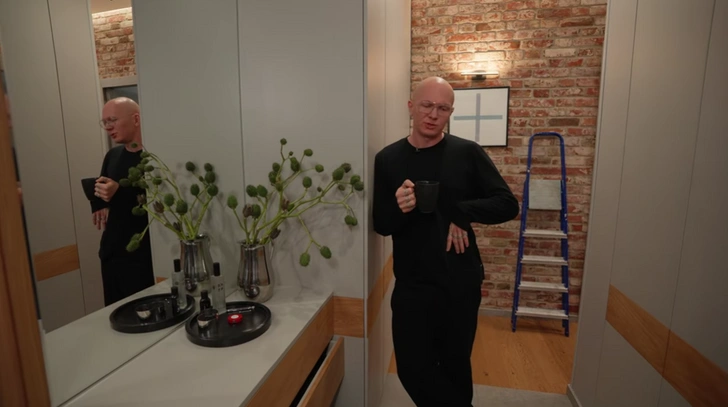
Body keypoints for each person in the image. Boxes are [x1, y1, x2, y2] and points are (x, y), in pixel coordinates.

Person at [372, 77, 519, 407]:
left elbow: (507, 204)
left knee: (455, 367)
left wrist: (461, 212)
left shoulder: (466, 152)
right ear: (411, 106)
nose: (433, 114)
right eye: (426, 105)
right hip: (412, 284)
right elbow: (381, 225)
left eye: (443, 108)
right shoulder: (388, 158)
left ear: (450, 112)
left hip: (460, 282)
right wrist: (399, 207)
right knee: (411, 369)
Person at [92, 97, 154, 306]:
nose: (108, 127)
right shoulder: (112, 155)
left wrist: (119, 191)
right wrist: (99, 202)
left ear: (136, 119)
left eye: (112, 120)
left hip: (143, 257)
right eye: (104, 122)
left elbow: (156, 202)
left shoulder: (153, 157)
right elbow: (103, 185)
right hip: (112, 254)